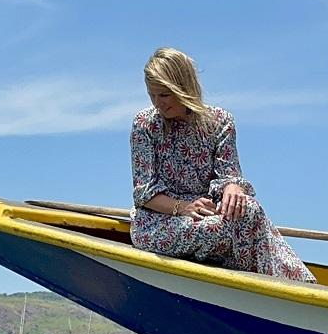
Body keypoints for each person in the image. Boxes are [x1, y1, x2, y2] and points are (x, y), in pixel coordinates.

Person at [129, 47, 315, 282]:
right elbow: (144, 194)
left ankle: (291, 286)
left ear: (183, 88)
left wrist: (232, 189)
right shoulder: (145, 125)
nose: (158, 104)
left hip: (208, 213)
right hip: (160, 220)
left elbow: (229, 175)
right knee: (222, 229)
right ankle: (260, 283)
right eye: (152, 95)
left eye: (164, 95)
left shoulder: (220, 122)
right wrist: (184, 207)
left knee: (249, 209)